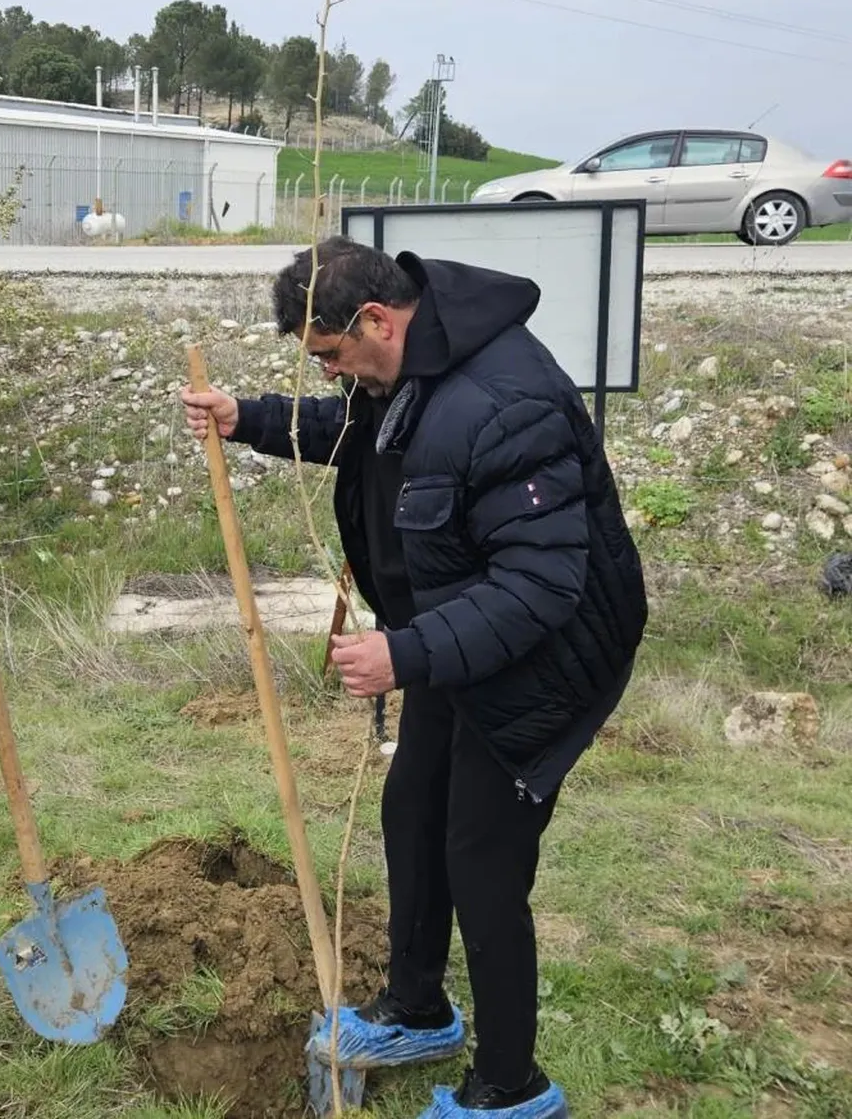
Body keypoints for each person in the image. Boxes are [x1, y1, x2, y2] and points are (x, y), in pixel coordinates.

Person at [181, 236, 646, 1118]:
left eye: (330, 355)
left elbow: (542, 584)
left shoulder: (506, 399)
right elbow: (361, 430)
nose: (331, 377)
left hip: (544, 655)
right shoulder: (406, 368)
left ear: (376, 320)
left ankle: (511, 1086)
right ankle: (420, 1009)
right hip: (455, 637)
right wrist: (248, 416)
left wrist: (404, 653)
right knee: (413, 809)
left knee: (482, 857)